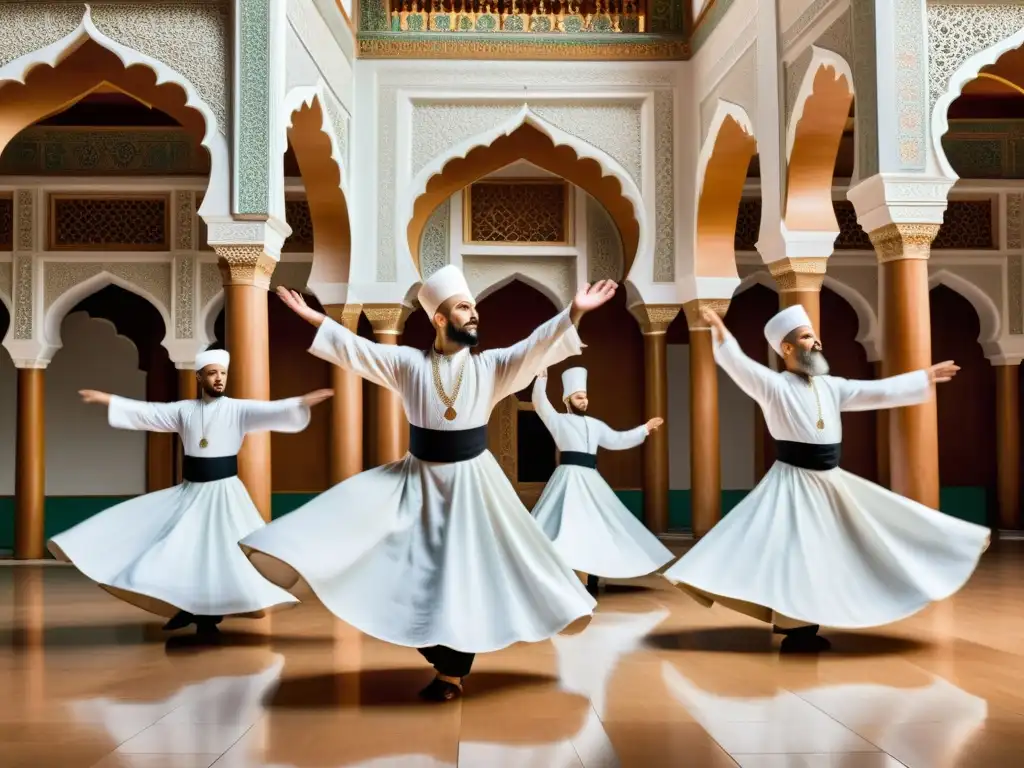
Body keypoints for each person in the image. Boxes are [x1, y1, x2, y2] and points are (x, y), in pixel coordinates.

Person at [239, 265, 616, 701]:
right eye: (463, 308)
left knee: (463, 577)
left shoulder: (491, 367)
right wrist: (312, 318)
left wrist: (573, 312)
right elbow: (356, 349)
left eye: (474, 306)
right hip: (418, 482)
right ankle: (441, 654)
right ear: (439, 318)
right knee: (411, 574)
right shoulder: (407, 364)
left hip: (473, 486)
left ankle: (452, 673)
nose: (473, 314)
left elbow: (535, 347)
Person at [662, 304, 990, 652]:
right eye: (806, 337)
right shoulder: (774, 387)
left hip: (829, 482)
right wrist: (720, 331)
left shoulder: (832, 388)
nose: (816, 342)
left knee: (850, 545)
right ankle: (797, 629)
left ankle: (804, 621)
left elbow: (875, 391)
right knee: (797, 557)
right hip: (792, 484)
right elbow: (739, 365)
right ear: (786, 348)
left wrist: (922, 377)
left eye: (815, 336)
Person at [47, 349, 333, 635]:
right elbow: (149, 413)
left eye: (222, 373)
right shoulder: (184, 410)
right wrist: (109, 400)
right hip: (191, 492)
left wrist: (301, 402)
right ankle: (187, 607)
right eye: (212, 373)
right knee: (186, 550)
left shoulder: (238, 409)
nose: (219, 379)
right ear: (199, 377)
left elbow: (271, 410)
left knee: (221, 554)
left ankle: (208, 617)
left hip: (224, 494)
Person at [530, 366, 674, 595]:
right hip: (568, 477)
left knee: (598, 527)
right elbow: (539, 402)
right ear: (567, 399)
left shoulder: (595, 425)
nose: (584, 401)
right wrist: (541, 378)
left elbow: (617, 439)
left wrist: (644, 429)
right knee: (567, 526)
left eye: (585, 397)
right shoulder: (557, 420)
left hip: (591, 478)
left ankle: (593, 574)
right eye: (579, 397)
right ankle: (566, 575)